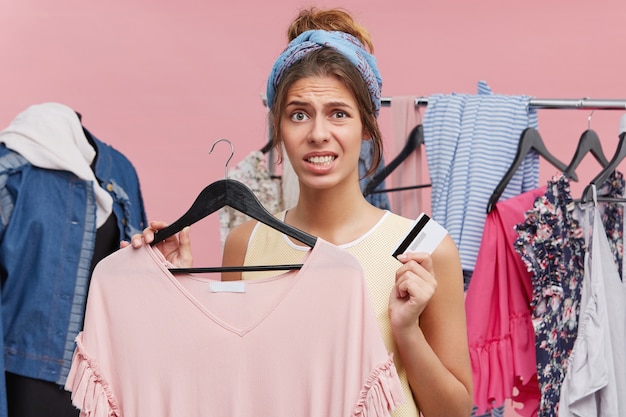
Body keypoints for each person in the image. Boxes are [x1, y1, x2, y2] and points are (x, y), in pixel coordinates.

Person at [128, 8, 473, 417]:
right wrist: (176, 293)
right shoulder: (246, 242)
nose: (318, 134)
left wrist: (407, 331)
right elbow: (222, 384)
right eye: (298, 115)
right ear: (279, 127)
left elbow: (454, 412)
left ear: (366, 125)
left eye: (338, 114)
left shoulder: (425, 247)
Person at [0, 102, 148, 416]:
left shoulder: (118, 170)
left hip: (102, 375)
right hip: (26, 376)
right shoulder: (10, 170)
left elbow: (135, 272)